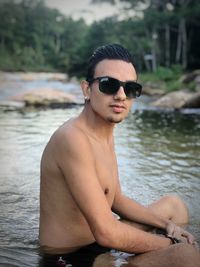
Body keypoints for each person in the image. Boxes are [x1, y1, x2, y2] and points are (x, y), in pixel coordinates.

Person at [39, 43, 200, 267]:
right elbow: (106, 232)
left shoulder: (104, 133)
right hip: (70, 259)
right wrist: (169, 243)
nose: (121, 95)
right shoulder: (72, 138)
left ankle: (116, 258)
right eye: (109, 85)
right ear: (87, 89)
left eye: (130, 88)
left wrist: (166, 225)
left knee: (175, 207)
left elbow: (115, 199)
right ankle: (118, 259)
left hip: (99, 245)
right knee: (186, 255)